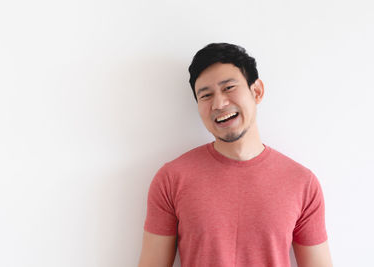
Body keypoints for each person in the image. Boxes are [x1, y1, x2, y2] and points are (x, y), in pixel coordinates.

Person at [138, 43, 333, 267]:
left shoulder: (302, 183)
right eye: (206, 95)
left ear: (257, 91)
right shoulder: (172, 179)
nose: (219, 103)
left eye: (229, 87)